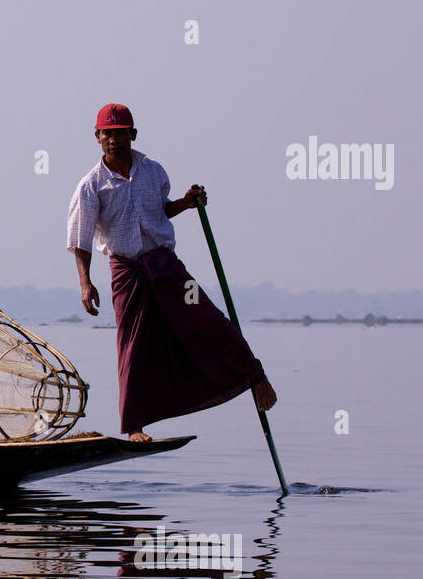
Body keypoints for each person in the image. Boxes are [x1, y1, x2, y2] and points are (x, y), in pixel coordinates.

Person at [67, 103, 276, 442]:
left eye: (121, 134)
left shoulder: (154, 171)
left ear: (133, 135)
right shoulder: (90, 186)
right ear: (97, 137)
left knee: (205, 316)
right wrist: (85, 283)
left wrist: (188, 203)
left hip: (165, 264)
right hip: (127, 272)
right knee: (133, 345)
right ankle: (135, 425)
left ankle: (255, 376)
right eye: (108, 134)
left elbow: (159, 212)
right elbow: (80, 238)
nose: (114, 140)